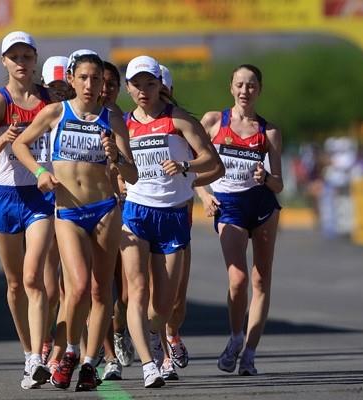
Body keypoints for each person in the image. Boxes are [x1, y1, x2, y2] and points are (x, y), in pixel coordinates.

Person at [12, 50, 137, 392]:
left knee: (101, 291)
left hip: (104, 209)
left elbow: (134, 174)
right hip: (68, 212)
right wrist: (40, 172)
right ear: (71, 80)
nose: (90, 84)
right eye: (83, 77)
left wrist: (117, 157)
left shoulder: (112, 119)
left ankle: (88, 362)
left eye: (96, 79)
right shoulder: (55, 113)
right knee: (78, 287)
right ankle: (69, 352)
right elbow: (22, 144)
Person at [121, 55, 224, 388]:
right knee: (136, 291)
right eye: (136, 85)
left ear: (159, 85)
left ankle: (156, 335)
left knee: (164, 303)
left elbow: (212, 159)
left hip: (173, 215)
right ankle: (150, 364)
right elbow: (114, 166)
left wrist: (184, 168)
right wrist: (118, 177)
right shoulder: (122, 123)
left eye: (149, 84)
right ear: (128, 88)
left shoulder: (177, 119)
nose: (143, 91)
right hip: (136, 212)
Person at [195, 64, 283, 376]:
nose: (245, 91)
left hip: (261, 206)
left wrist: (267, 176)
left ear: (259, 90)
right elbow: (194, 164)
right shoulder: (214, 121)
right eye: (240, 85)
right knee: (238, 279)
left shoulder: (268, 132)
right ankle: (235, 336)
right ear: (231, 88)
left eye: (251, 85)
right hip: (228, 205)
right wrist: (205, 195)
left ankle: (249, 354)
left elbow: (279, 184)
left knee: (261, 280)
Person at [0, 31, 53, 389]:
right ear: (4, 61)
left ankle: (40, 357)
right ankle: (28, 353)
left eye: (27, 57)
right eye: (15, 57)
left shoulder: (48, 100)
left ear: (35, 59)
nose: (21, 63)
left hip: (39, 198)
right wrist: (4, 138)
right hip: (5, 198)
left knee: (32, 278)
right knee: (13, 284)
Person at [98, 60, 135, 381]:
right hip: (92, 209)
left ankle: (120, 329)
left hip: (125, 205)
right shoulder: (81, 115)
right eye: (102, 82)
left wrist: (118, 161)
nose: (107, 89)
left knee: (124, 290)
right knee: (102, 286)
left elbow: (132, 168)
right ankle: (106, 351)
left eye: (112, 84)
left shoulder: (123, 120)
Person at [38, 55, 74, 374]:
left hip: (76, 206)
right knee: (51, 291)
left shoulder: (86, 116)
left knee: (73, 287)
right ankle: (47, 341)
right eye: (54, 88)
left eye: (66, 87)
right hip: (45, 205)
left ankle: (63, 350)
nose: (61, 93)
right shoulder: (42, 116)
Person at [156, 64, 190, 381]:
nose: (159, 97)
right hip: (144, 214)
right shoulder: (132, 123)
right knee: (152, 292)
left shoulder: (183, 122)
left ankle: (173, 333)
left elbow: (207, 165)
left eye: (164, 92)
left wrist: (199, 187)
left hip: (180, 215)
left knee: (177, 297)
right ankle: (161, 354)